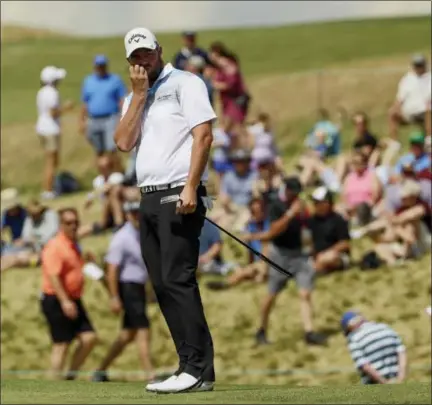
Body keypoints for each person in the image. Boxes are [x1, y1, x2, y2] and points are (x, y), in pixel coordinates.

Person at [114, 27, 216, 393]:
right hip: (148, 197)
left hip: (178, 193)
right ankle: (188, 365)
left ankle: (199, 368)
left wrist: (191, 185)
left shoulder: (186, 83)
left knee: (178, 278)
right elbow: (124, 143)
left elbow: (203, 135)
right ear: (130, 62)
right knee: (161, 283)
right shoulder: (134, 97)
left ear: (159, 50)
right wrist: (140, 96)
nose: (143, 60)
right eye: (136, 57)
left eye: (147, 52)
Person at [244, 177, 327, 346]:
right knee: (272, 294)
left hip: (300, 254)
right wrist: (290, 214)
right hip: (280, 255)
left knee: (305, 293)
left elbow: (308, 225)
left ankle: (309, 331)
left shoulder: (300, 204)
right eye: (293, 193)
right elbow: (273, 231)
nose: (295, 196)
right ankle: (262, 329)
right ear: (286, 190)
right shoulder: (276, 205)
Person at [93, 201, 154, 382]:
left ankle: (100, 370)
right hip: (128, 287)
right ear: (127, 214)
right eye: (133, 212)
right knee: (143, 329)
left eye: (138, 212)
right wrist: (114, 297)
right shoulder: (122, 237)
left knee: (127, 335)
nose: (137, 216)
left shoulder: (141, 233)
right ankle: (149, 374)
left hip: (138, 287)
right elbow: (112, 269)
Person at [40, 208, 97, 380]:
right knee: (61, 345)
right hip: (56, 299)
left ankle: (69, 377)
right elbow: (53, 276)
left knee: (89, 338)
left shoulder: (73, 243)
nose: (73, 226)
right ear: (61, 225)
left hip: (74, 298)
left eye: (75, 222)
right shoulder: (55, 246)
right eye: (68, 223)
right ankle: (52, 385)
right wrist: (64, 301)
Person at [80, 55, 127, 170]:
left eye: (102, 66)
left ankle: (119, 175)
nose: (100, 68)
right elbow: (85, 103)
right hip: (93, 119)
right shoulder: (88, 81)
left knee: (111, 149)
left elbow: (122, 100)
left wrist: (123, 118)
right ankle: (104, 177)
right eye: (98, 66)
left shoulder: (114, 80)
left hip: (110, 118)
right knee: (99, 150)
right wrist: (82, 120)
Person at [36, 66, 74, 200]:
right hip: (50, 129)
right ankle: (48, 190)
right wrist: (66, 107)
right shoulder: (52, 92)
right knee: (51, 161)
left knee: (51, 160)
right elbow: (53, 113)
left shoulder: (41, 91)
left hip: (42, 128)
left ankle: (51, 187)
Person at [341, 311, 407, 384]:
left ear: (350, 327)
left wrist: (384, 382)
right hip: (397, 381)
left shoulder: (354, 339)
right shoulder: (386, 328)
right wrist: (401, 378)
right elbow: (402, 352)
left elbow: (365, 366)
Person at [1, 199, 59, 272]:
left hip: (48, 251)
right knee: (10, 255)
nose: (34, 215)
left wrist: (35, 239)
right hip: (33, 249)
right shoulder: (29, 219)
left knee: (16, 259)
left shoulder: (50, 215)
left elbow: (52, 234)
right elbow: (26, 235)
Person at [307, 187, 351, 273]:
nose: (315, 205)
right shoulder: (309, 221)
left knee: (329, 257)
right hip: (314, 256)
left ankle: (315, 270)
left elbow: (345, 244)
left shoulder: (338, 220)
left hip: (336, 255)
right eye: (315, 202)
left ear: (327, 203)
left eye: (317, 202)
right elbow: (305, 244)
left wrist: (326, 253)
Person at [209, 42, 250, 133]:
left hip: (234, 101)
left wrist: (216, 85)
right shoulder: (219, 67)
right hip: (227, 102)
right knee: (229, 129)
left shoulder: (227, 64)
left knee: (234, 128)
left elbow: (231, 83)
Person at [389, 54, 431, 139]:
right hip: (409, 112)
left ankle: (429, 139)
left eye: (420, 65)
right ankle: (395, 143)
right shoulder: (407, 79)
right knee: (392, 113)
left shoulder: (429, 77)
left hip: (425, 110)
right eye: (417, 65)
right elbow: (400, 99)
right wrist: (396, 108)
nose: (419, 67)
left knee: (428, 110)